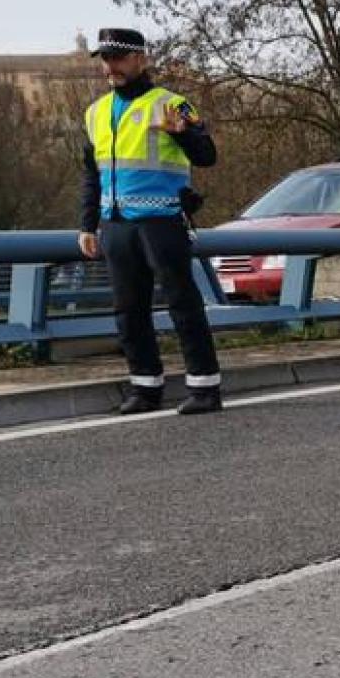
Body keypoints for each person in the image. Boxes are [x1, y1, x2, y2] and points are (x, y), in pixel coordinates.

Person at [75, 27, 224, 415]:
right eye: (105, 59)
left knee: (182, 303)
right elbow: (92, 173)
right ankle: (145, 387)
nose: (111, 66)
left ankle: (205, 387)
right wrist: (87, 224)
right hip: (116, 225)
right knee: (128, 310)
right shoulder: (95, 112)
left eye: (118, 58)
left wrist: (185, 134)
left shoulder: (174, 104)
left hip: (162, 221)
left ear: (140, 59)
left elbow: (207, 156)